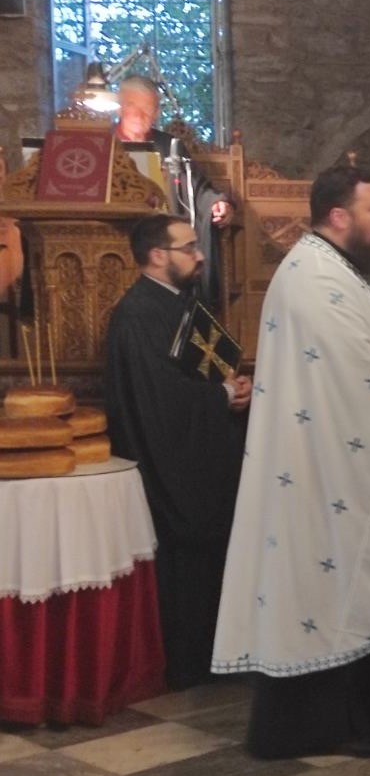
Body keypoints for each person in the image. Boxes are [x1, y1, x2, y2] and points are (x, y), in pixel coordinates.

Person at [211, 164, 370, 758]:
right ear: (339, 216)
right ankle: (350, 722)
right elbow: (361, 377)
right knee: (333, 589)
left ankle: (365, 718)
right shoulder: (316, 278)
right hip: (327, 474)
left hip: (329, 468)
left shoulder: (327, 269)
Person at [104, 213, 250, 691]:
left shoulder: (181, 303)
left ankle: (223, 652)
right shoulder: (138, 314)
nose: (201, 255)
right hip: (170, 463)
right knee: (187, 563)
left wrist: (236, 388)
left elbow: (211, 369)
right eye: (190, 247)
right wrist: (221, 396)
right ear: (157, 255)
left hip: (203, 453)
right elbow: (160, 399)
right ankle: (191, 663)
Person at [116, 75, 234, 306]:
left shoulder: (170, 147)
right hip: (117, 235)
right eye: (131, 105)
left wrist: (217, 203)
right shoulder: (105, 145)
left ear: (157, 112)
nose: (139, 115)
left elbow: (197, 188)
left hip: (165, 239)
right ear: (119, 107)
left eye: (147, 108)